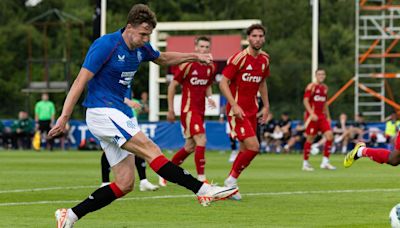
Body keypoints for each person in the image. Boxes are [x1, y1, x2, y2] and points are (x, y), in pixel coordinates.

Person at [48, 4, 237, 227]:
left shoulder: (141, 47)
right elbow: (80, 81)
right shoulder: (106, 45)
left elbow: (163, 58)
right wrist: (65, 116)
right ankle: (203, 190)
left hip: (116, 113)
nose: (146, 39)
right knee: (151, 150)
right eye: (143, 34)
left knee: (125, 183)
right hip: (101, 111)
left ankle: (69, 215)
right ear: (129, 27)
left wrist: (194, 56)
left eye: (149, 35)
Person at [219, 23, 271, 200]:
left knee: (244, 150)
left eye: (260, 36)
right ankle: (230, 182)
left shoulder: (265, 59)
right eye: (254, 36)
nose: (257, 39)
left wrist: (266, 106)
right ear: (248, 38)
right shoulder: (239, 58)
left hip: (252, 111)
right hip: (237, 111)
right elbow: (223, 82)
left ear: (264, 38)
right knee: (254, 147)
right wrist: (234, 105)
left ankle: (230, 186)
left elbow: (262, 83)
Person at [163, 36, 217, 185]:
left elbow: (207, 85)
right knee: (202, 139)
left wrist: (210, 97)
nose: (204, 50)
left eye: (207, 47)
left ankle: (165, 174)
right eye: (201, 47)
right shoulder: (187, 65)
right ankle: (201, 179)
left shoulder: (211, 66)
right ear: (196, 48)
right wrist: (170, 109)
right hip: (189, 110)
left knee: (190, 146)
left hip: (200, 111)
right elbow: (172, 86)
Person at [101, 91, 159, 191]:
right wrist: (127, 101)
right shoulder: (109, 79)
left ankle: (143, 181)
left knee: (138, 146)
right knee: (111, 147)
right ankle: (105, 182)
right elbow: (109, 94)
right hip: (114, 115)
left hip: (129, 116)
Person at [302, 69, 336, 171]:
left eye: (323, 74)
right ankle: (305, 163)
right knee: (310, 138)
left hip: (321, 117)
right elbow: (305, 101)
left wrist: (328, 116)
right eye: (319, 74)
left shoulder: (325, 88)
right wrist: (311, 114)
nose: (321, 76)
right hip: (312, 117)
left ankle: (325, 162)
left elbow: (325, 103)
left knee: (330, 136)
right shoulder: (311, 86)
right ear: (316, 75)